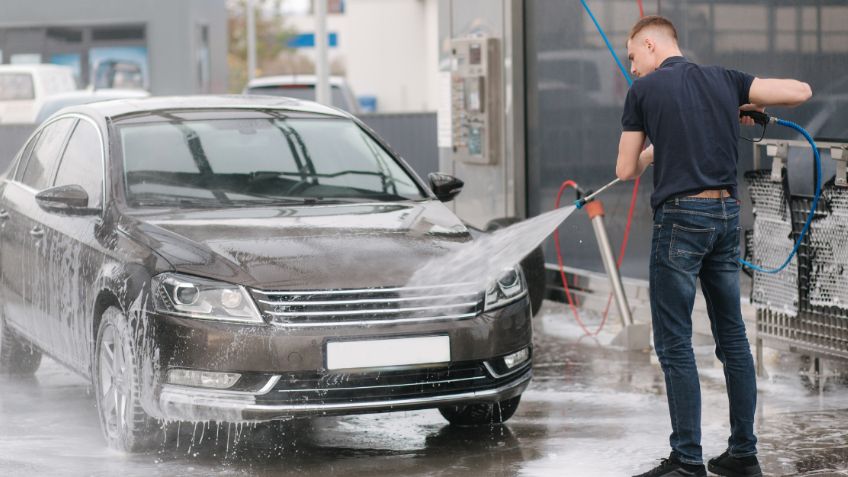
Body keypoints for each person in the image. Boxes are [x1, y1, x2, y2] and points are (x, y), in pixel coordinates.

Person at [615, 15, 812, 477]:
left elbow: (626, 169)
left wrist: (652, 148)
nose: (632, 70)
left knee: (675, 343)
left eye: (632, 59)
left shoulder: (642, 93)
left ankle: (687, 460)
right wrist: (738, 104)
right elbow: (801, 91)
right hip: (725, 218)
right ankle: (744, 452)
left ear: (649, 44)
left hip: (681, 222)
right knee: (733, 338)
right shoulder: (726, 80)